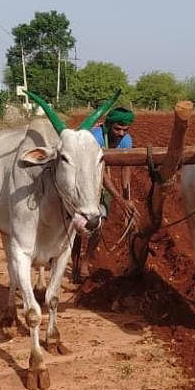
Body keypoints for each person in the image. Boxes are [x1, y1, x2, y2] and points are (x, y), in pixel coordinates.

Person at [73, 106, 137, 282]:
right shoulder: (95, 137)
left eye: (125, 129)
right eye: (117, 128)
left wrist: (127, 197)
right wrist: (119, 200)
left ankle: (86, 261)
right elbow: (99, 171)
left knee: (98, 225)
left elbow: (126, 167)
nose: (122, 133)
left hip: (102, 188)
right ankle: (74, 262)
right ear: (108, 125)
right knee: (77, 227)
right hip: (83, 182)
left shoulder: (126, 141)